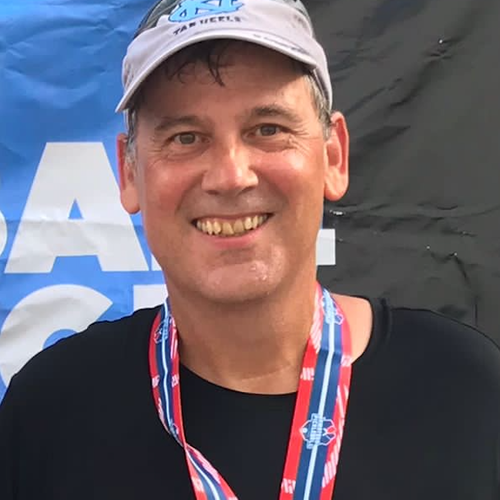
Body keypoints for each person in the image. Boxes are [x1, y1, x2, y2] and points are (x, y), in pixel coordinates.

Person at [1, 0, 500, 498]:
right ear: (129, 174)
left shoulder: (467, 390)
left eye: (268, 129)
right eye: (186, 137)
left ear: (333, 156)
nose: (231, 176)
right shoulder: (49, 411)